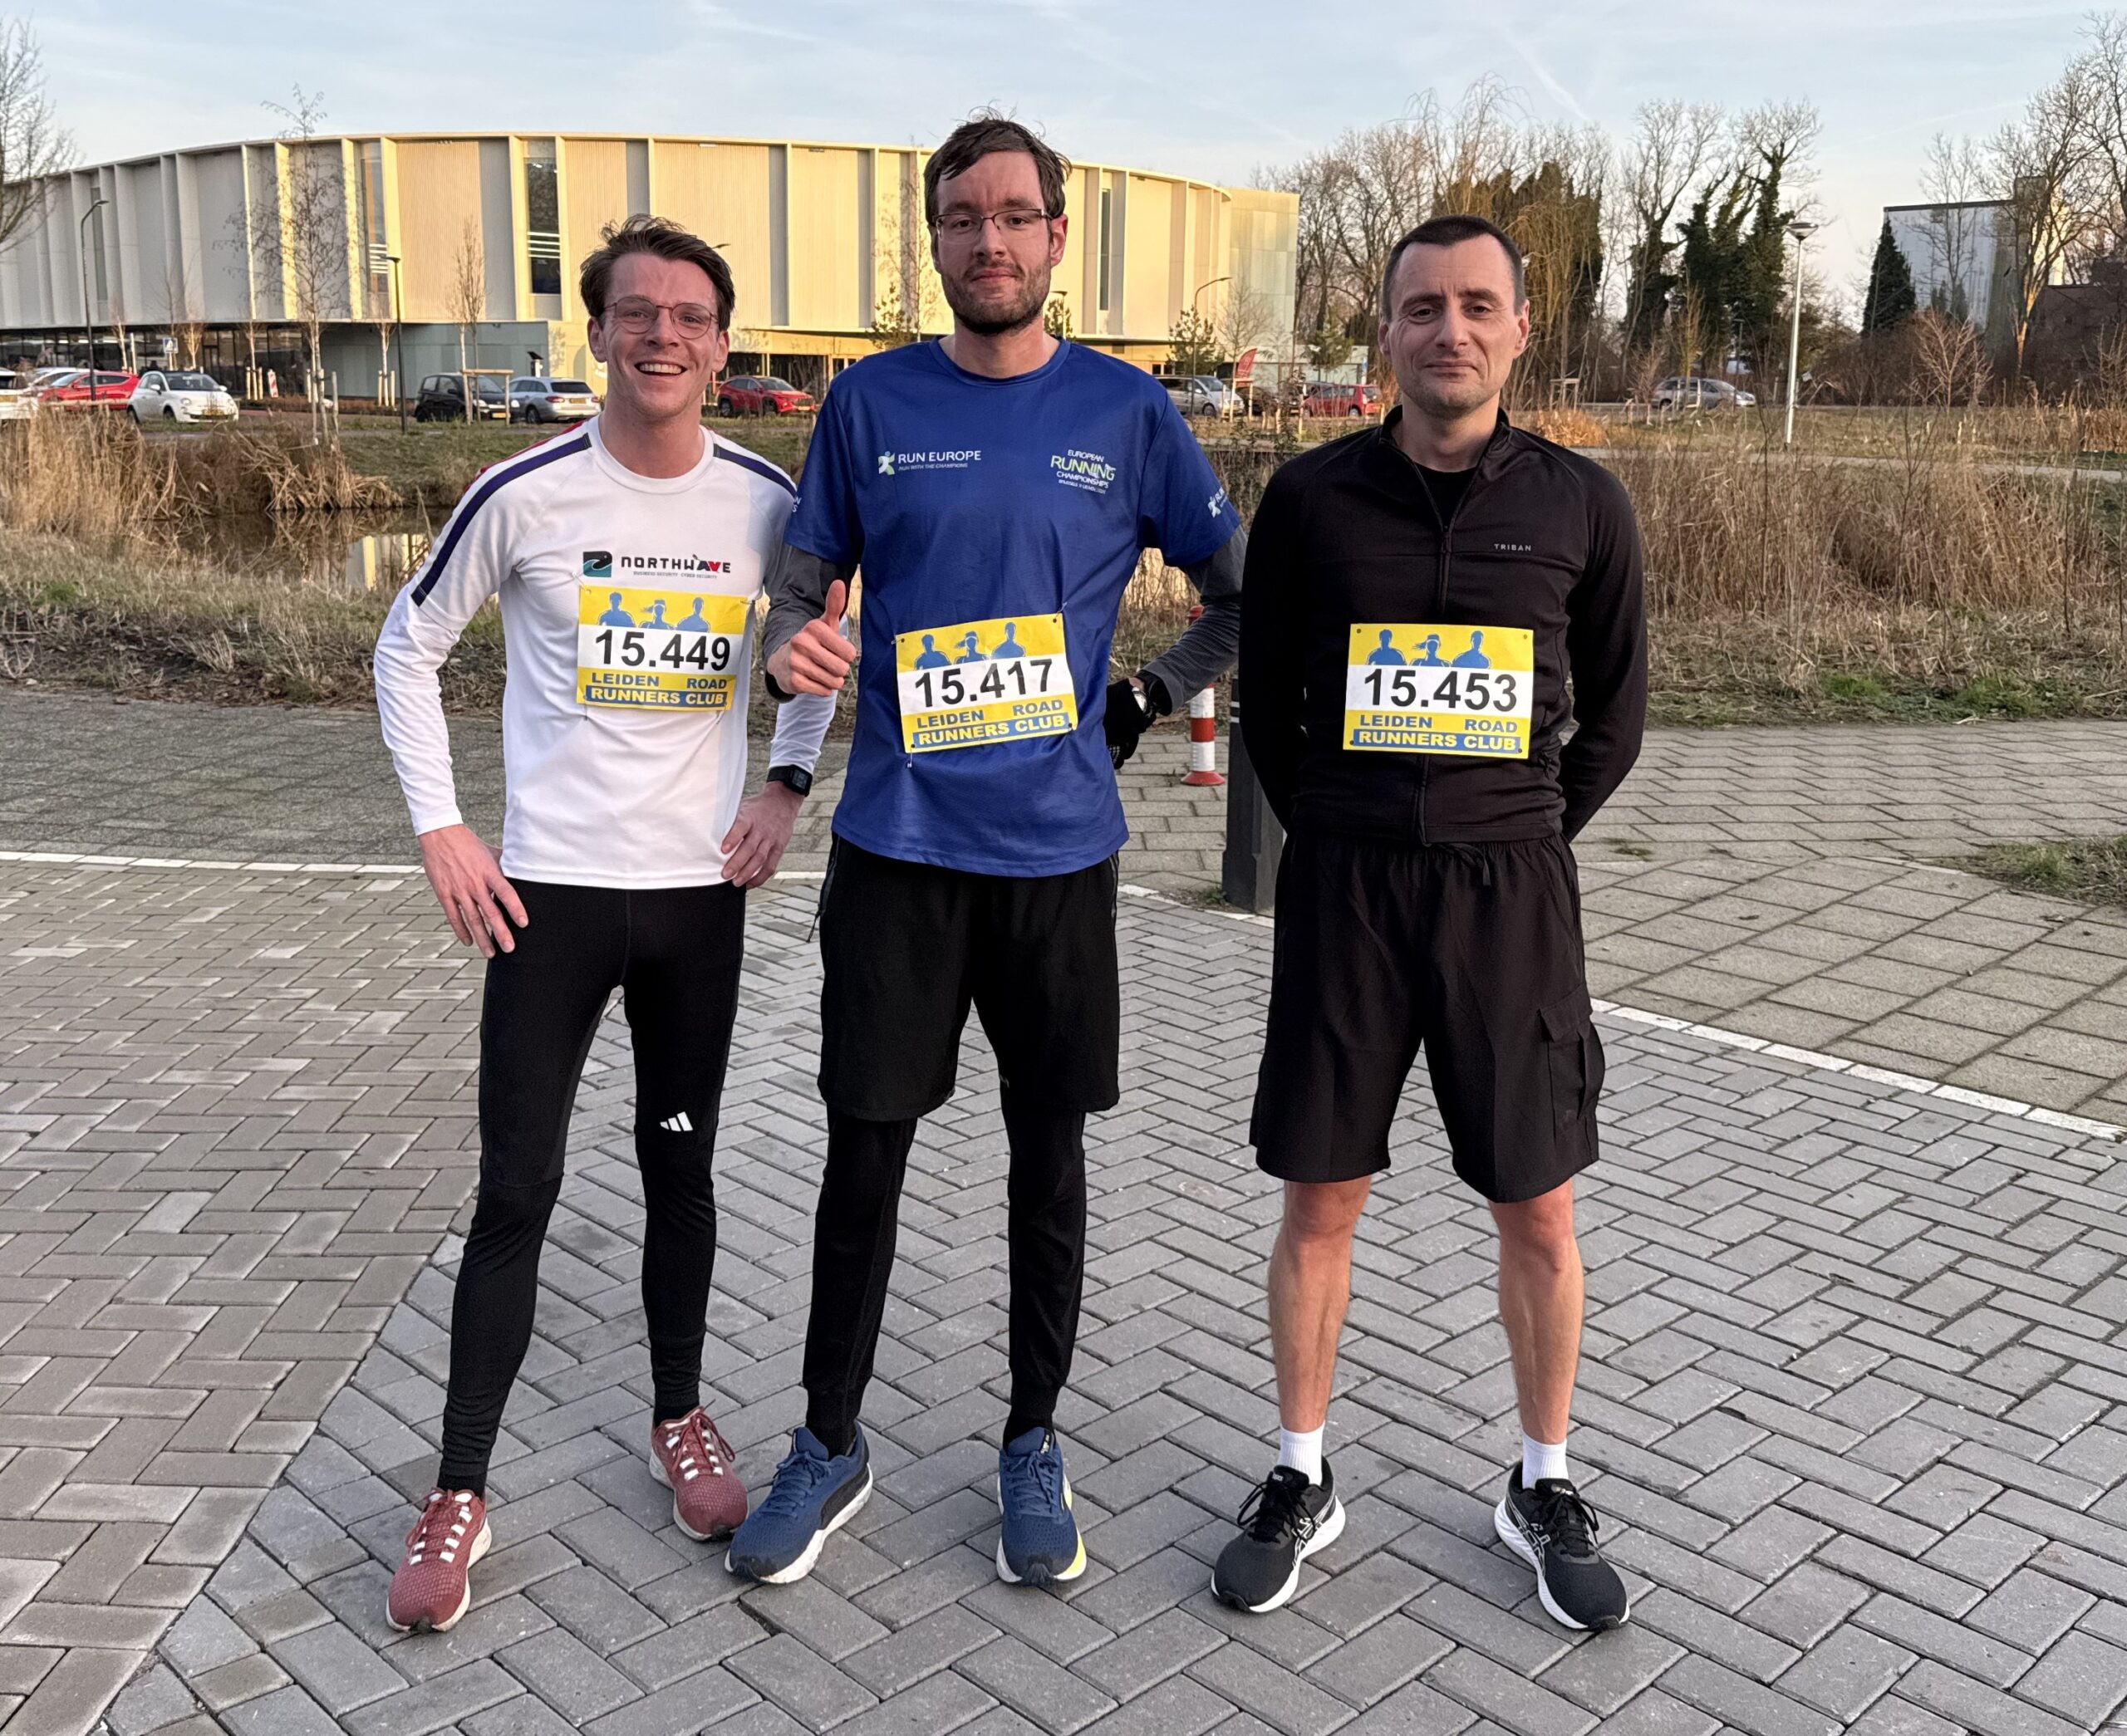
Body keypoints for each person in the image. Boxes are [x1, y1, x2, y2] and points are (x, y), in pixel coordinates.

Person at [725, 111, 1245, 1590]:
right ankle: (829, 1438)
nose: (991, 242)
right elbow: (806, 572)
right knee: (864, 1150)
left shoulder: (1129, 412)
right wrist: (798, 638)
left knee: (1047, 1155)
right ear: (935, 239)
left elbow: (1234, 587)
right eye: (964, 218)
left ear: (1058, 240)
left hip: (1059, 856)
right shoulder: (870, 403)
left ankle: (1032, 1432)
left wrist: (1147, 696)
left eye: (1016, 217)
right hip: (897, 847)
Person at [371, 215, 836, 1635]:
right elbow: (406, 642)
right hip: (550, 900)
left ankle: (680, 1415)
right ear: (599, 334)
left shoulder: (765, 503)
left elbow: (817, 646)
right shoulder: (523, 494)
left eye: (693, 316)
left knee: (679, 1173)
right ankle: (459, 1486)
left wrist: (787, 778)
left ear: (721, 340)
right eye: (639, 313)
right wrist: (444, 828)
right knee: (518, 1188)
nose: (665, 337)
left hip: (697, 903)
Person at [1214, 213, 1645, 1630]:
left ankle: (1543, 1474)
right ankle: (1298, 1470)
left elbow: (1616, 719)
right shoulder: (1314, 500)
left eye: (1476, 306)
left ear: (1521, 328)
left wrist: (1509, 831)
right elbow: (1271, 701)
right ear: (1386, 331)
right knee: (1319, 1193)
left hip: (1509, 898)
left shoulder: (1583, 505)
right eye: (1420, 308)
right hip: (1344, 893)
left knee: (1538, 1200)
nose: (1448, 330)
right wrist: (1346, 823)